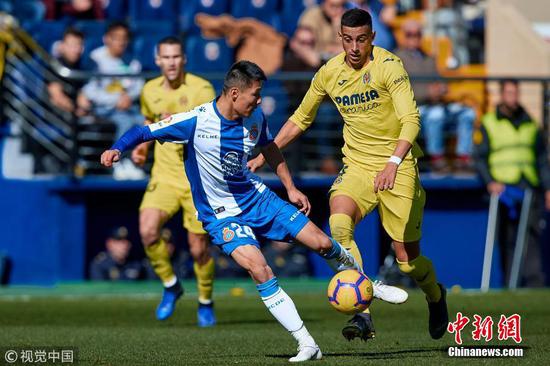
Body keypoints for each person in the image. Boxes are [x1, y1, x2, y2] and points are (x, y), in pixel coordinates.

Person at [101, 60, 384, 362]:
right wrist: (117, 148)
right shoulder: (196, 121)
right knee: (259, 268)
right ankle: (306, 343)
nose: (260, 100)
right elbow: (144, 131)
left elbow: (270, 148)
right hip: (221, 214)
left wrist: (290, 187)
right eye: (255, 94)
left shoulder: (255, 117)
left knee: (323, 243)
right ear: (235, 93)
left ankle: (369, 284)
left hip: (257, 199)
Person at [248, 8, 448, 342]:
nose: (354, 47)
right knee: (339, 224)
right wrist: (265, 152)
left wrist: (393, 163)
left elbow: (411, 119)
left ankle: (435, 295)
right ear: (340, 38)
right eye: (348, 40)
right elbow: (300, 118)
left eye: (361, 39)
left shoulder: (389, 67)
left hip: (397, 166)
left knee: (406, 261)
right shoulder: (329, 73)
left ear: (372, 38)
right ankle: (363, 314)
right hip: (357, 166)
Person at [130, 36, 217, 325]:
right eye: (165, 57)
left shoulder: (201, 89)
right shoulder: (149, 90)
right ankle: (171, 285)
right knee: (148, 231)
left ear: (184, 59)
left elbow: (208, 130)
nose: (171, 63)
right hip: (164, 176)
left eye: (176, 57)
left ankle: (205, 301)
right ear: (157, 60)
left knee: (198, 249)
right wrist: (142, 147)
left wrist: (175, 123)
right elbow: (147, 123)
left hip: (196, 179)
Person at [473, 79, 550, 287]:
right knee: (506, 236)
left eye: (515, 93)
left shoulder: (530, 123)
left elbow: (542, 159)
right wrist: (490, 182)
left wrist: (547, 188)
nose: (513, 98)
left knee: (532, 235)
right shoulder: (489, 122)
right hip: (503, 187)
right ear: (501, 95)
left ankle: (534, 283)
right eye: (509, 93)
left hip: (528, 184)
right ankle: (510, 283)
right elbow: (479, 157)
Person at [394, 19, 476, 172]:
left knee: (468, 113)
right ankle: (436, 158)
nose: (414, 38)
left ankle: (463, 157)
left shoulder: (429, 57)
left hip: (436, 103)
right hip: (415, 108)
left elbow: (439, 81)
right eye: (410, 34)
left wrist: (442, 89)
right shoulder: (396, 59)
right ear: (403, 36)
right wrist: (427, 93)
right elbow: (399, 90)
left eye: (417, 34)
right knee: (436, 115)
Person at [82, 21, 144, 179]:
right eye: (116, 37)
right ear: (106, 39)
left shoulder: (131, 60)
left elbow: (138, 85)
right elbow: (90, 90)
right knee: (124, 122)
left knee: (143, 122)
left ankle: (133, 162)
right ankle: (118, 162)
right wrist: (115, 100)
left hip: (128, 106)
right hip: (103, 108)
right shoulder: (95, 58)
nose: (121, 41)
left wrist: (129, 97)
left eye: (124, 38)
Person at [47, 27, 91, 116]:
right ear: (62, 46)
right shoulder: (55, 66)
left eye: (79, 45)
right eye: (72, 45)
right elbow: (57, 96)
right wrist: (76, 110)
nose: (76, 50)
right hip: (55, 115)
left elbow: (82, 95)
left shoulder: (80, 67)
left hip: (75, 114)